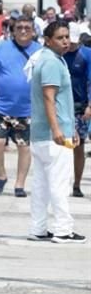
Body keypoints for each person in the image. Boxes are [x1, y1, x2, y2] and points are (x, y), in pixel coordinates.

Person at [27, 21, 86, 244]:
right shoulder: (51, 62)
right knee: (59, 183)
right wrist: (57, 129)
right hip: (53, 136)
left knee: (41, 184)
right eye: (60, 38)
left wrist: (71, 128)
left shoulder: (48, 59)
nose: (65, 41)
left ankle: (38, 227)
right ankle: (63, 229)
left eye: (67, 37)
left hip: (44, 134)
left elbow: (61, 102)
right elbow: (49, 97)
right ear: (48, 40)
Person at [0, 16, 40, 198]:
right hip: (0, 107)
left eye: (27, 28)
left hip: (27, 109)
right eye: (19, 27)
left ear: (33, 31)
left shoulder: (40, 51)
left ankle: (20, 184)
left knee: (24, 147)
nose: (23, 31)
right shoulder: (1, 48)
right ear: (13, 31)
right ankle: (1, 175)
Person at [63, 23, 91, 197]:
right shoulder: (58, 54)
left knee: (78, 145)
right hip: (60, 105)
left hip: (80, 106)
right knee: (59, 145)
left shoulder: (86, 54)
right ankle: (60, 182)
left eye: (73, 41)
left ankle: (77, 184)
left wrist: (90, 106)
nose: (70, 45)